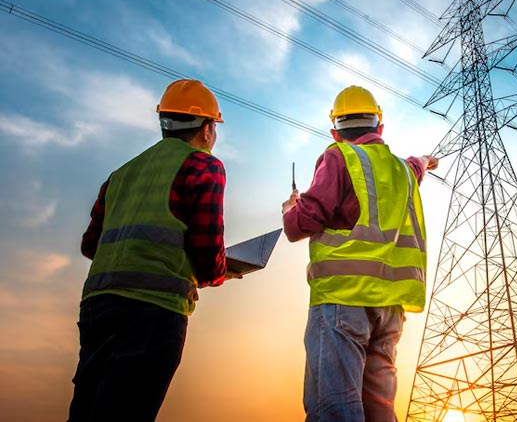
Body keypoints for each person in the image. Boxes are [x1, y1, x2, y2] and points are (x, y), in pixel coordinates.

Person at [68, 79, 241, 422]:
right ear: (207, 129)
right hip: (154, 311)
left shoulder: (121, 174)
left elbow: (91, 244)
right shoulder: (204, 166)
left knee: (87, 410)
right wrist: (223, 271)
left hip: (98, 307)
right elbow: (207, 254)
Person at [282, 85, 438, 421]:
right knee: (380, 411)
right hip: (389, 311)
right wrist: (427, 160)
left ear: (335, 132)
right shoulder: (403, 172)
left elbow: (301, 224)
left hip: (344, 301)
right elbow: (417, 164)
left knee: (335, 410)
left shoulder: (338, 157)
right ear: (380, 127)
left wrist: (290, 209)